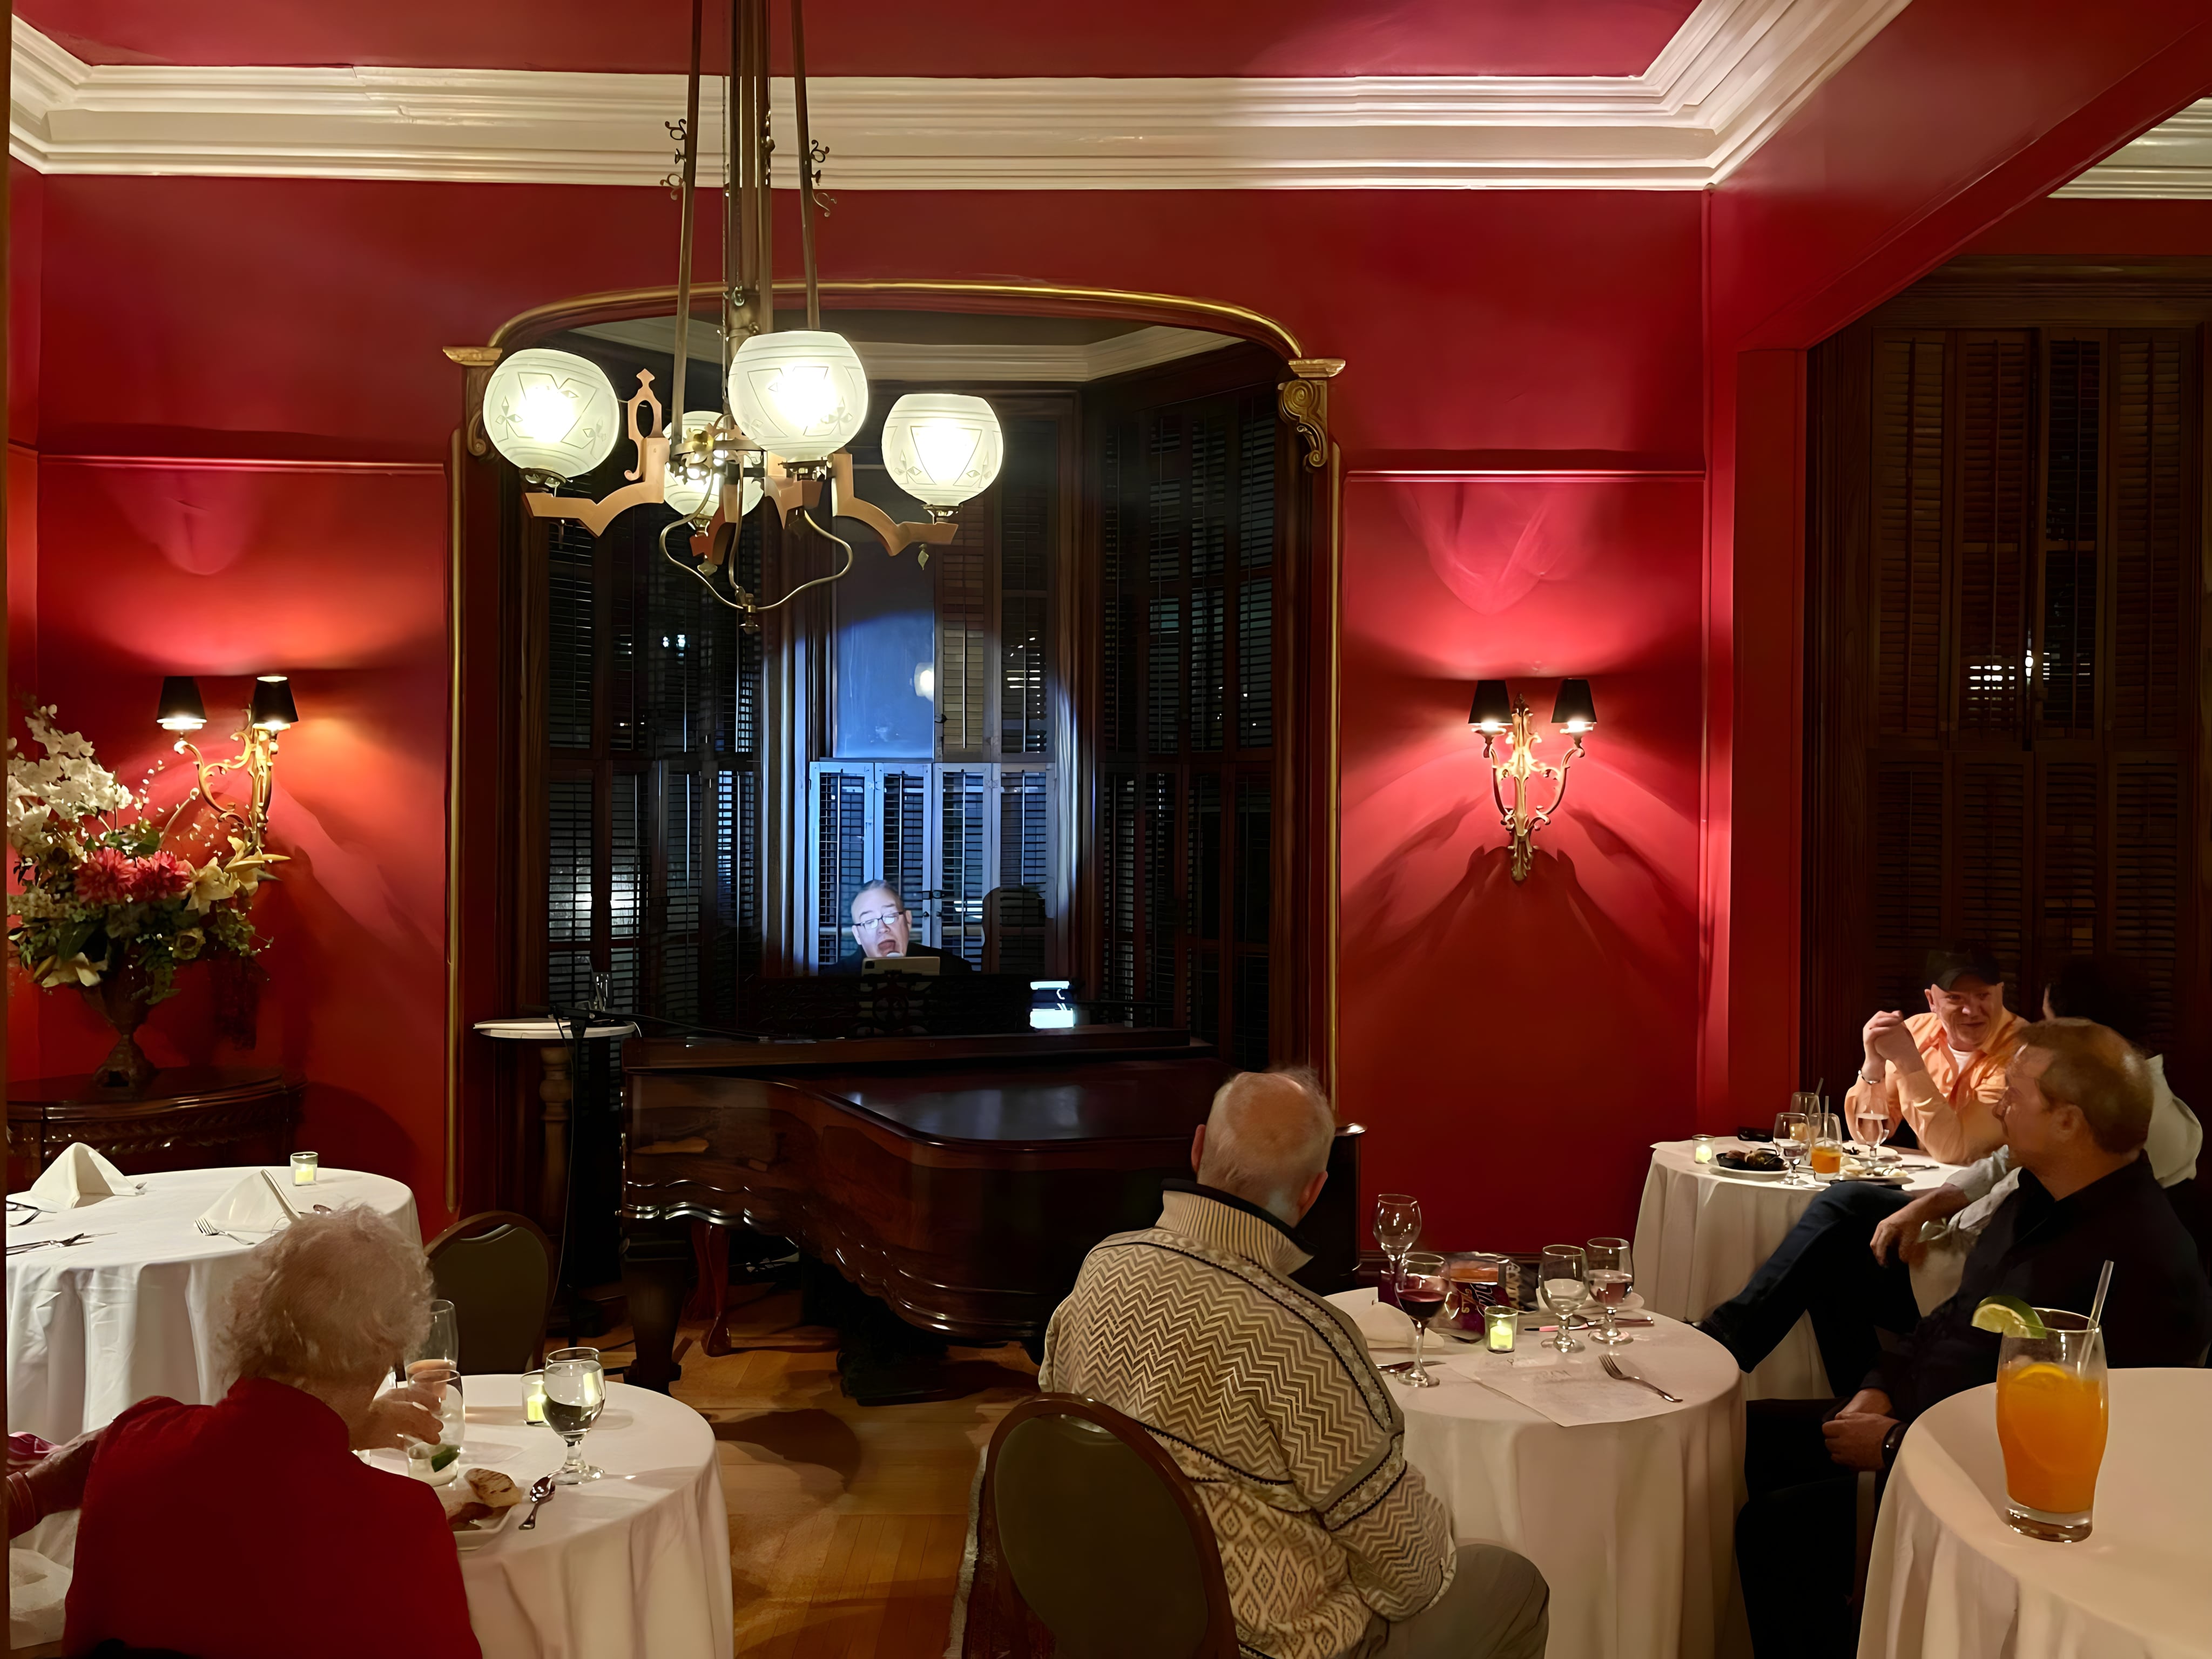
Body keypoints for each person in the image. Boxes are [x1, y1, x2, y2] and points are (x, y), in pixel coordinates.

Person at [1734, 1020, 2212, 1659]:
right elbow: (1958, 1318)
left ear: (2068, 1121)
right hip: (1921, 1428)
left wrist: (1895, 1445)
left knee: (1771, 1530)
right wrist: (1879, 1385)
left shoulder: (2144, 1264)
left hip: (1978, 1494)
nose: (1996, 1104)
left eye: (2013, 1095)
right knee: (1742, 1439)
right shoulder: (2034, 1193)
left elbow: (2098, 1464)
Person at [1041, 1069, 1549, 1659]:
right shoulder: (1301, 1337)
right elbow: (1408, 1577)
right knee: (1511, 1582)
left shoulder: (1102, 1267)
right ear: (1312, 1191)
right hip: (1249, 1644)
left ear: (1199, 1146)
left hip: (1106, 1612)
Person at [1700, 956, 2203, 1388]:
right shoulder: (2059, 1115)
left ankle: (1775, 1373)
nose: (1974, 1009)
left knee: (1837, 1251)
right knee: (1848, 1208)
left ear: (2094, 1043)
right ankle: (1843, 1401)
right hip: (1975, 1242)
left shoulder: (2129, 1128)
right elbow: (2003, 1161)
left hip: (1996, 1282)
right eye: (1955, 996)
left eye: (2053, 1025)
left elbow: (1963, 1152)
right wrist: (1927, 1200)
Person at [64, 1207, 482, 1659]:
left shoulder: (133, 1440)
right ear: (387, 1342)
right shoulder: (401, 1521)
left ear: (250, 1314)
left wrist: (342, 1432)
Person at [1843, 942, 2026, 1165]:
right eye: (1955, 998)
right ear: (1932, 1001)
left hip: (2001, 1189)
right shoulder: (1917, 1032)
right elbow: (1869, 1137)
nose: (1971, 1010)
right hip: (1932, 1181)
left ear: (2001, 993)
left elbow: (1957, 1152)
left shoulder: (2024, 1050)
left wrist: (1909, 1063)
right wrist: (1873, 1064)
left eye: (1982, 995)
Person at [820, 879, 972, 974]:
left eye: (890, 916)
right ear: (857, 935)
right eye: (869, 921)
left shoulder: (952, 970)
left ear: (908, 920)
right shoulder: (834, 980)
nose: (882, 928)